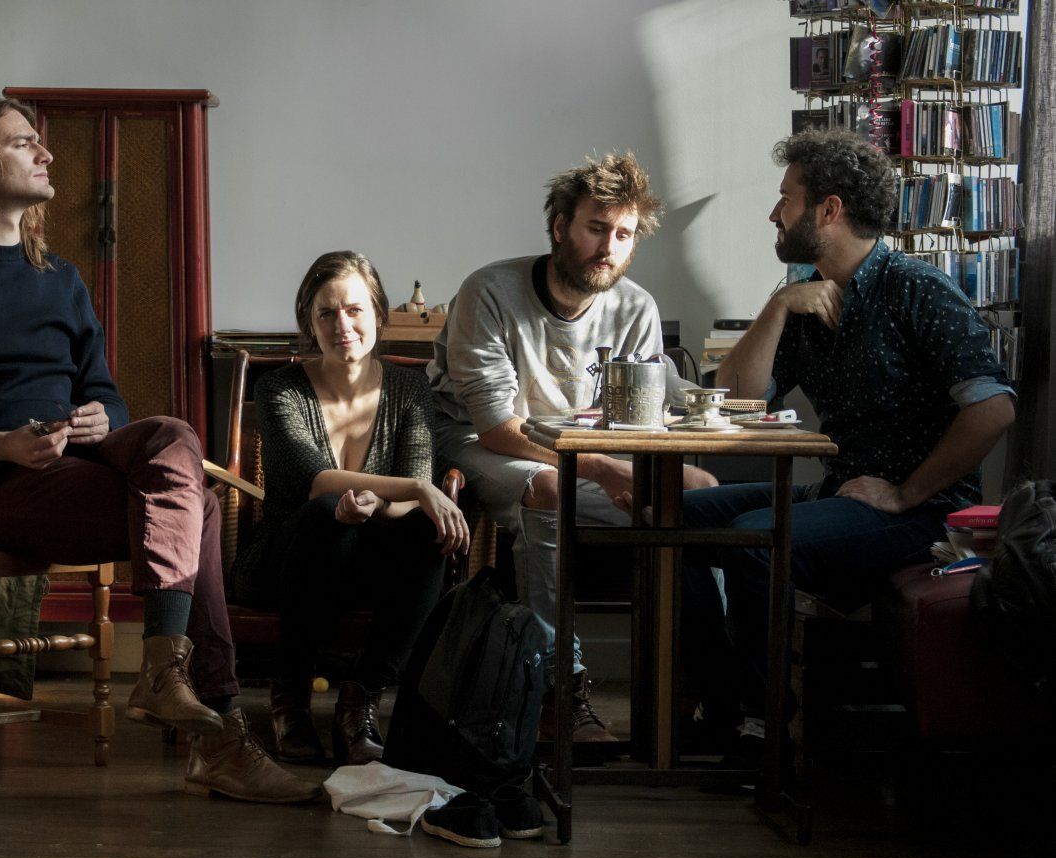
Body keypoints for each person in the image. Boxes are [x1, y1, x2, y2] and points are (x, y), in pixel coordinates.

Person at [0, 97, 318, 804]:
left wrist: (97, 421)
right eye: (25, 143)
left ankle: (167, 672)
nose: (47, 155)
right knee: (193, 504)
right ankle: (220, 726)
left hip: (77, 468)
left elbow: (108, 395)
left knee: (172, 435)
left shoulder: (63, 278)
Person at [682, 127, 1016, 762]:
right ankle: (720, 704)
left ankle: (765, 728)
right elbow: (736, 403)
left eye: (787, 198)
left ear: (827, 210)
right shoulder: (805, 295)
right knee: (676, 516)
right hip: (843, 492)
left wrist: (905, 493)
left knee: (759, 537)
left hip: (919, 514)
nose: (774, 213)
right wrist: (779, 306)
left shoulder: (916, 288)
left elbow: (994, 408)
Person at [428, 153, 717, 742]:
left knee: (703, 494)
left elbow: (647, 407)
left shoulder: (635, 306)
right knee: (549, 488)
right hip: (480, 443)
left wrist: (717, 412)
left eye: (624, 234)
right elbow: (496, 427)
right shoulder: (488, 292)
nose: (609, 246)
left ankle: (696, 692)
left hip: (582, 448)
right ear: (560, 226)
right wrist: (606, 468)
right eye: (596, 228)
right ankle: (560, 688)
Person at [232, 251, 469, 766]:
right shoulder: (280, 390)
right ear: (309, 324)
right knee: (324, 516)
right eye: (326, 313)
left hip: (369, 562)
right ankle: (290, 699)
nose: (343, 325)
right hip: (286, 560)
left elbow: (408, 504)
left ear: (378, 315)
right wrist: (414, 487)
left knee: (425, 529)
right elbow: (313, 481)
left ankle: (361, 696)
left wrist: (385, 503)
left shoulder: (410, 389)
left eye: (355, 310)